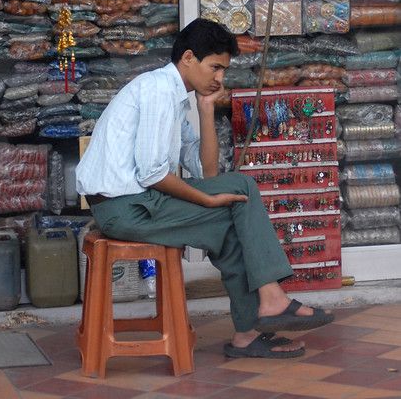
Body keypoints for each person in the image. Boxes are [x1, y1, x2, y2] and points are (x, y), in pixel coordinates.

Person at [76, 18, 334, 359]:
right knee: (242, 185)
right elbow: (153, 174)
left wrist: (206, 107)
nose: (219, 79)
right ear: (187, 58)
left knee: (231, 227)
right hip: (125, 207)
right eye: (215, 68)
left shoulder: (178, 99)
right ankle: (271, 299)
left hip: (141, 203)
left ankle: (248, 333)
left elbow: (207, 172)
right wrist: (206, 199)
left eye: (223, 71)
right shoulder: (156, 90)